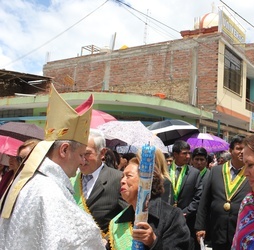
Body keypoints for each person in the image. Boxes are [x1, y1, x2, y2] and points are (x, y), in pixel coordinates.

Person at [0, 84, 104, 249]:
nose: (82, 162)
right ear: (64, 150)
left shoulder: (31, 180)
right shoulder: (48, 191)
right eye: (81, 155)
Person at [107, 158, 191, 249]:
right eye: (122, 176)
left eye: (128, 176)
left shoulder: (172, 216)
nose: (122, 181)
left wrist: (153, 242)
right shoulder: (117, 221)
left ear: (146, 180)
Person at [195, 135, 250, 250]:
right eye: (239, 148)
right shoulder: (216, 171)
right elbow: (205, 200)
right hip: (217, 230)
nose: (242, 152)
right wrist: (200, 226)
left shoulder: (251, 173)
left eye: (245, 149)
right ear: (230, 151)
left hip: (240, 232)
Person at [70, 128, 128, 238]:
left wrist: (108, 240)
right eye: (80, 154)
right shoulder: (71, 179)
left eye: (87, 154)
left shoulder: (118, 179)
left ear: (102, 153)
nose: (82, 160)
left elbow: (127, 219)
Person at [170, 140, 202, 249]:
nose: (188, 156)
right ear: (175, 154)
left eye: (189, 153)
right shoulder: (164, 170)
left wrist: (185, 212)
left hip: (186, 221)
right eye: (184, 153)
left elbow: (198, 197)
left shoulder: (194, 173)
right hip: (167, 219)